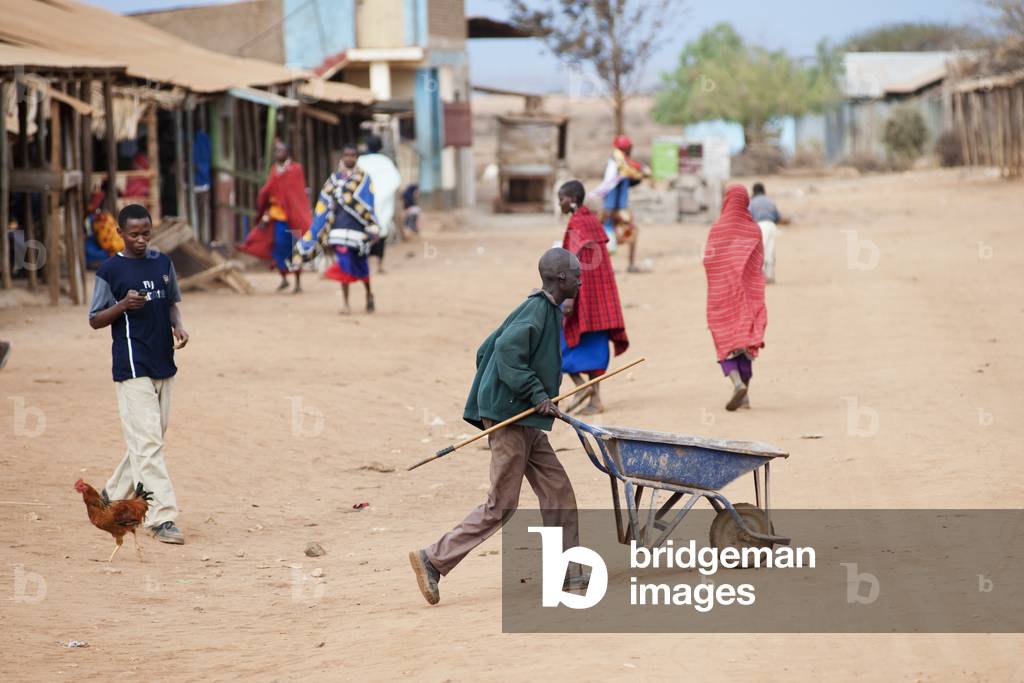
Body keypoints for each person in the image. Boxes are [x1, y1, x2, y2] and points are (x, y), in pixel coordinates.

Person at [409, 248, 584, 606]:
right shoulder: (536, 310)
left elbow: (484, 350)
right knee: (502, 504)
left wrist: (515, 396)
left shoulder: (545, 310)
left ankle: (566, 570)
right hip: (511, 419)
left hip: (524, 417)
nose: (582, 280)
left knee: (558, 490)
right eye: (577, 274)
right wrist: (531, 394)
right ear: (561, 279)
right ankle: (434, 558)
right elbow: (504, 350)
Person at [87, 204, 189, 544]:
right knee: (148, 445)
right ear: (120, 234)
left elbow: (171, 300)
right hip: (132, 367)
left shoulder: (162, 263)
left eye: (146, 233)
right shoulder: (111, 271)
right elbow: (95, 319)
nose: (141, 239)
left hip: (164, 361)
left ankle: (111, 493)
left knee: (149, 441)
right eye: (134, 234)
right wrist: (122, 305)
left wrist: (178, 326)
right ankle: (162, 517)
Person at [556, 180, 629, 414]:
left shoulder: (577, 224)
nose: (560, 203)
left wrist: (568, 299)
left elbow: (573, 263)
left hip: (580, 296)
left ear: (572, 199)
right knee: (595, 347)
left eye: (561, 198)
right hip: (600, 298)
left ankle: (581, 386)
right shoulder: (592, 223)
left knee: (559, 344)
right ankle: (595, 399)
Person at [291, 144, 380, 314]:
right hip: (338, 229)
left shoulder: (364, 179)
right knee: (344, 263)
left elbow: (369, 206)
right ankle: (346, 304)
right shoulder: (333, 180)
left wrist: (372, 228)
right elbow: (324, 205)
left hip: (358, 229)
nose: (349, 158)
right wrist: (323, 231)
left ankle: (369, 293)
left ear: (357, 157)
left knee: (362, 267)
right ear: (342, 157)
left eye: (353, 155)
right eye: (347, 155)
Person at [703, 185, 767, 412]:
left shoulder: (717, 229)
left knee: (726, 340)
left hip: (722, 296)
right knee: (746, 340)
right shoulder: (754, 230)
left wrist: (723, 276)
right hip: (749, 295)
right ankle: (745, 392)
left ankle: (737, 383)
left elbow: (709, 261)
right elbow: (759, 263)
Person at [240, 139, 312, 293]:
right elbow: (268, 191)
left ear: (288, 153)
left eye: (280, 150)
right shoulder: (274, 169)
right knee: (279, 247)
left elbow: (297, 195)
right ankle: (284, 278)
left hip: (294, 217)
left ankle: (298, 282)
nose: (277, 153)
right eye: (276, 151)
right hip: (278, 217)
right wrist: (265, 210)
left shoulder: (296, 169)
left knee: (295, 249)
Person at [592, 135, 649, 272]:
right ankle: (622, 265)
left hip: (613, 208)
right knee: (611, 235)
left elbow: (632, 180)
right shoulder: (619, 167)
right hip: (613, 209)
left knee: (626, 233)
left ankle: (626, 264)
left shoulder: (620, 166)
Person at [357, 134, 402, 272]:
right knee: (381, 231)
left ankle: (365, 264)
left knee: (364, 232)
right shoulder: (386, 162)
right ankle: (379, 265)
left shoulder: (360, 161)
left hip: (364, 204)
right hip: (382, 204)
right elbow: (395, 181)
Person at [748, 182, 782, 284]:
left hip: (759, 227)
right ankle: (770, 276)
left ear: (754, 192)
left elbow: (749, 217)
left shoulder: (752, 202)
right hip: (771, 226)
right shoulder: (770, 201)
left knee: (760, 251)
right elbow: (778, 217)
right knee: (770, 251)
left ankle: (760, 276)